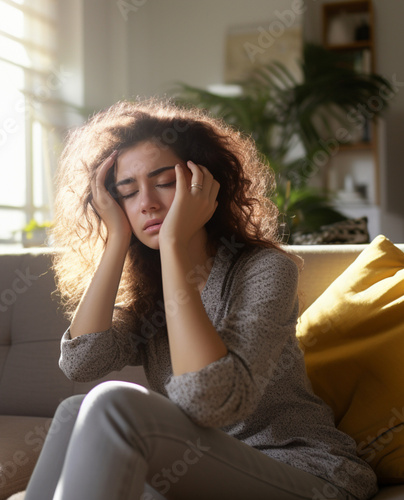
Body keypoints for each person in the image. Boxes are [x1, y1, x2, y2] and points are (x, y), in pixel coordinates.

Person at [24, 98, 378, 500]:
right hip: (201, 470)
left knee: (113, 404)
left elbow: (209, 402)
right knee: (75, 412)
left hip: (302, 473)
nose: (148, 203)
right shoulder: (147, 292)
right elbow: (82, 361)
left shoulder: (264, 270)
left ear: (204, 184)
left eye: (164, 181)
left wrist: (173, 243)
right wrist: (117, 240)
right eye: (128, 191)